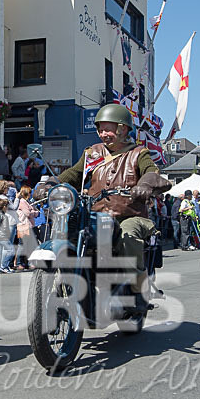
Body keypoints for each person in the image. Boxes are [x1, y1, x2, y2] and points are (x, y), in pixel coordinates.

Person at [52, 103, 166, 310]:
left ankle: (138, 290)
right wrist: (51, 184)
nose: (103, 134)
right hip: (97, 216)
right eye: (100, 129)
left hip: (130, 215)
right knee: (71, 231)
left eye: (108, 129)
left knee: (127, 236)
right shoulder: (93, 154)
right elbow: (74, 175)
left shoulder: (139, 153)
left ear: (123, 129)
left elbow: (151, 171)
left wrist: (146, 184)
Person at [0, 198, 14, 273]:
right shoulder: (4, 216)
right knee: (11, 250)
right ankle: (4, 266)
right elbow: (5, 228)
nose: (8, 207)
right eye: (7, 206)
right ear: (4, 207)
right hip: (3, 236)